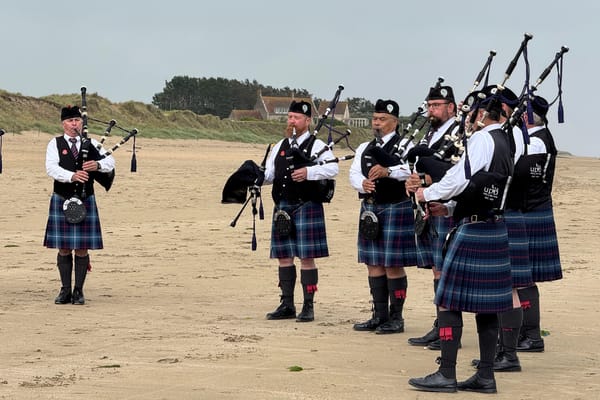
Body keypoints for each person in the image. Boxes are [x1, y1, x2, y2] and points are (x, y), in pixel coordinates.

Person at [407, 92, 513, 393]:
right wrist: (451, 208)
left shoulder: (482, 139)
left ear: (482, 115)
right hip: (493, 225)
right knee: (487, 308)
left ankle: (447, 374)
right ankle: (486, 376)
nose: (467, 118)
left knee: (447, 301)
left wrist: (428, 194)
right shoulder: (506, 142)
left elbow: (460, 179)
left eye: (470, 113)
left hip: (474, 231)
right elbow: (484, 187)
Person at [262, 100, 339, 322]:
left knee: (306, 258)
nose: (292, 122)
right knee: (284, 257)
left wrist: (309, 172)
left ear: (307, 121)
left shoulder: (317, 146)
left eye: (296, 118)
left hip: (307, 206)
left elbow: (333, 168)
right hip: (283, 206)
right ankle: (287, 304)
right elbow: (270, 175)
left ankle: (308, 305)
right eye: (289, 117)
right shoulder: (279, 145)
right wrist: (255, 178)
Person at [349, 99, 417, 334]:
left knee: (393, 265)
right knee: (373, 263)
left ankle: (397, 318)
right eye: (375, 119)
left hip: (396, 207)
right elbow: (354, 173)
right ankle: (379, 315)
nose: (377, 123)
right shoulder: (364, 147)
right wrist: (362, 183)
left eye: (382, 119)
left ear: (395, 122)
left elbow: (413, 169)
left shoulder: (406, 144)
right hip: (370, 208)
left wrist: (389, 171)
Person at [44, 105, 115, 305]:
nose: (73, 123)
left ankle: (78, 291)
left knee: (82, 248)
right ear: (63, 124)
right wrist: (72, 176)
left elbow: (111, 162)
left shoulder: (91, 143)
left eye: (76, 120)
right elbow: (51, 168)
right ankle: (65, 290)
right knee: (64, 247)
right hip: (62, 197)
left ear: (81, 122)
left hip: (86, 199)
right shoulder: (55, 144)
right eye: (69, 120)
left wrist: (98, 165)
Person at [405, 85, 459, 349]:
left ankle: (449, 331)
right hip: (428, 204)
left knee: (445, 269)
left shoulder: (459, 132)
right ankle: (441, 326)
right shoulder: (430, 133)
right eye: (429, 105)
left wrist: (426, 179)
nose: (431, 110)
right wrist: (413, 180)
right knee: (436, 269)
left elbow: (457, 169)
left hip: (447, 205)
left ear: (451, 107)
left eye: (437, 105)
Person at [514, 95, 562, 352]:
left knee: (523, 276)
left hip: (530, 211)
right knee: (523, 276)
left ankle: (531, 335)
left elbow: (518, 175)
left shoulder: (536, 142)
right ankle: (526, 332)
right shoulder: (535, 139)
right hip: (532, 210)